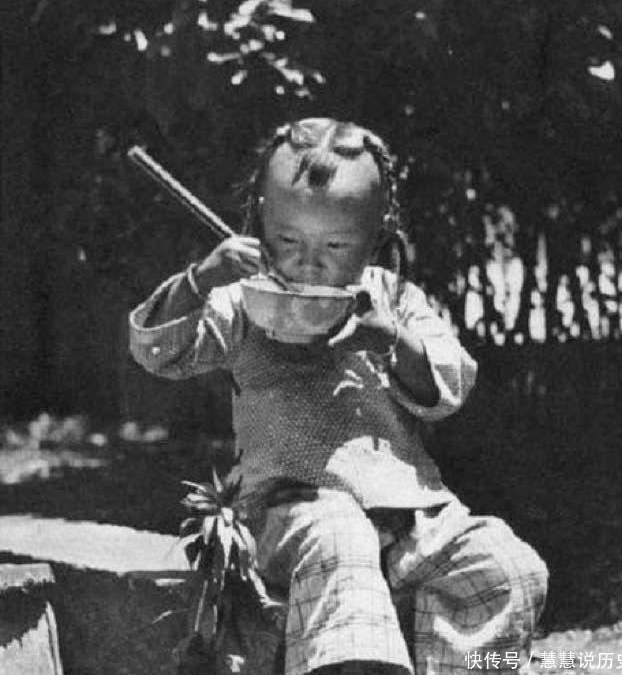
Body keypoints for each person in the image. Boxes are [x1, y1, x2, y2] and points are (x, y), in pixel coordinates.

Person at [129, 118, 548, 675]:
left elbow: (450, 386)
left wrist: (391, 340)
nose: (309, 262)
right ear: (260, 221)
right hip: (290, 514)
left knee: (505, 564)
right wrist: (200, 279)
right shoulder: (242, 303)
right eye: (287, 241)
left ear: (375, 238)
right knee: (339, 532)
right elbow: (158, 351)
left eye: (335, 245)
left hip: (412, 519)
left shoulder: (392, 300)